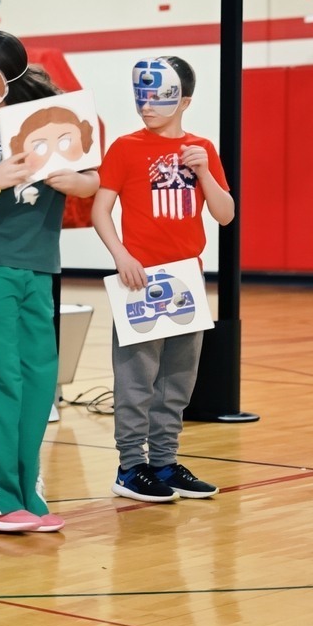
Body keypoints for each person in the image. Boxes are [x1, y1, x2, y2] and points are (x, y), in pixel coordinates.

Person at [0, 30, 99, 533]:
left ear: (0, 77)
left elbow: (93, 178)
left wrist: (71, 182)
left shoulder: (54, 115)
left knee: (38, 379)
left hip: (40, 264)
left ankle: (25, 488)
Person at [91, 56, 234, 503]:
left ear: (185, 101)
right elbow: (100, 210)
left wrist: (205, 171)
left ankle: (164, 463)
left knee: (177, 379)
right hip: (141, 280)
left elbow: (225, 215)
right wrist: (121, 255)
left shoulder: (202, 149)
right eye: (142, 97)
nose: (146, 106)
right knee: (136, 377)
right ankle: (130, 467)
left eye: (158, 98)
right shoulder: (124, 147)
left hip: (187, 279)